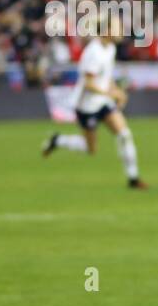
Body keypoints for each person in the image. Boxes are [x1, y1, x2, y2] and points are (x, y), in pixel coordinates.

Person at [42, 22, 146, 189]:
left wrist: (115, 90)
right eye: (116, 28)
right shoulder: (93, 53)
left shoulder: (110, 48)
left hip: (102, 101)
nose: (120, 31)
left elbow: (106, 76)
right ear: (105, 31)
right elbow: (88, 84)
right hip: (86, 105)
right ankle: (58, 140)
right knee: (90, 149)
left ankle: (133, 178)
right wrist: (111, 93)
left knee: (124, 134)